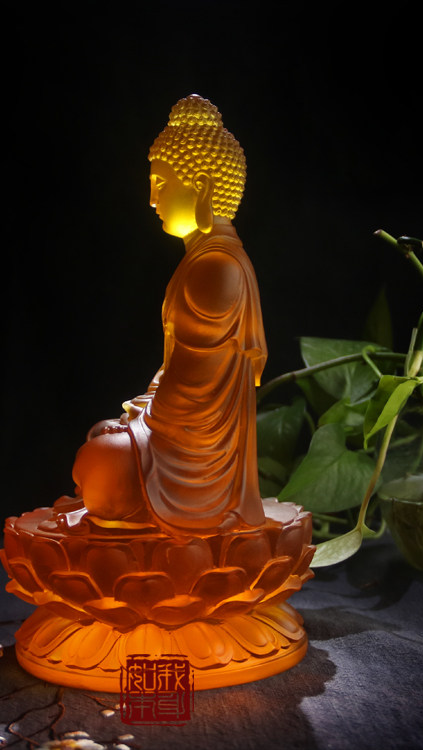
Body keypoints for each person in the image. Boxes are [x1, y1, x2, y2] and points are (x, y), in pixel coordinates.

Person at [71, 94, 267, 535]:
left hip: (197, 461)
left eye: (161, 183)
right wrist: (135, 417)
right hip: (174, 431)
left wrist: (139, 428)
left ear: (203, 188)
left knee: (101, 460)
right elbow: (176, 372)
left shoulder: (217, 269)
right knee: (102, 436)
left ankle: (174, 518)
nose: (152, 199)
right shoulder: (203, 261)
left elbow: (193, 397)